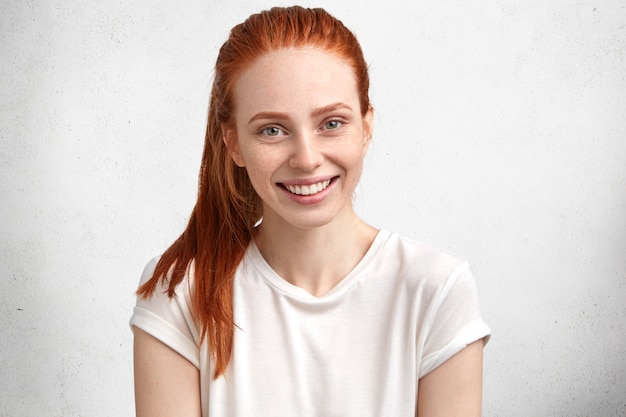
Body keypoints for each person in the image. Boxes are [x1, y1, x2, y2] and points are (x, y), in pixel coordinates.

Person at [130, 6, 490, 416]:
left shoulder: (436, 289)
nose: (306, 158)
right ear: (232, 144)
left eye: (332, 123)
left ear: (367, 126)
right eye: (272, 130)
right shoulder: (179, 291)